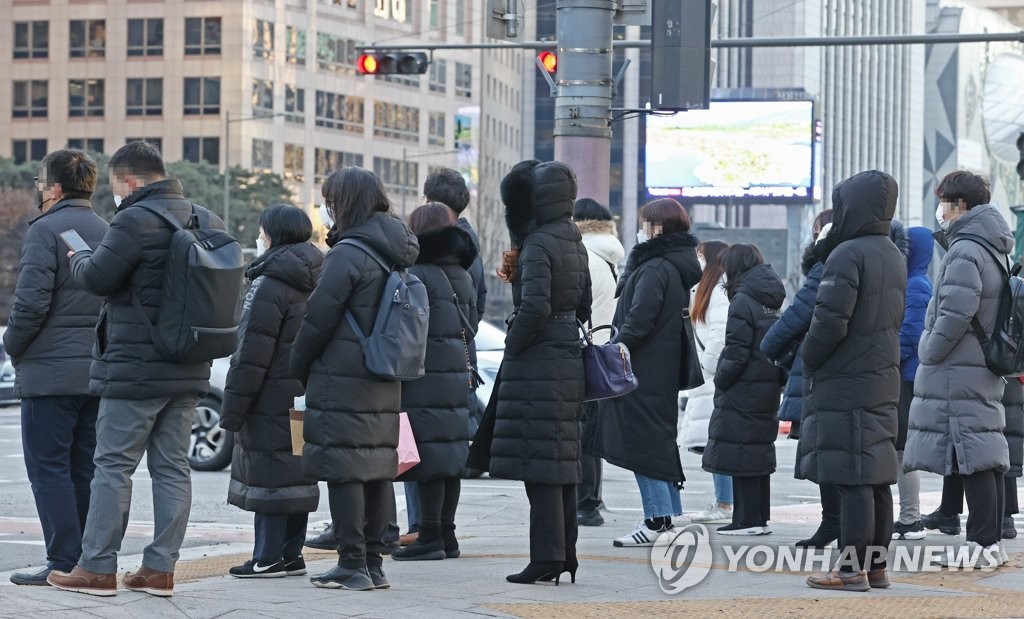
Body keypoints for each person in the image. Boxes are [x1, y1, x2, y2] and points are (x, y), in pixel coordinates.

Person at [48, 141, 226, 597]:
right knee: (172, 469)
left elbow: (97, 279)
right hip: (189, 364)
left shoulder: (133, 219)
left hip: (135, 369)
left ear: (128, 180)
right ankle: (159, 569)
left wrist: (78, 258)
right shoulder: (207, 218)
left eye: (115, 185)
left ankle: (97, 567)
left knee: (112, 466)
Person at [290, 166, 419, 591]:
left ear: (341, 203)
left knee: (344, 469)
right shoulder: (394, 249)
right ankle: (373, 564)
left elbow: (317, 319)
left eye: (329, 201)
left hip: (342, 375)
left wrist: (298, 366)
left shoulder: (348, 254)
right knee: (377, 468)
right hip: (383, 372)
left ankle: (350, 563)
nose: (325, 209)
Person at [3, 150, 108, 586]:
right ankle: (84, 560)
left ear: (55, 188)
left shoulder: (46, 231)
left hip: (50, 374)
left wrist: (11, 346)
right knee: (84, 467)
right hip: (97, 371)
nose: (36, 187)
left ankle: (62, 560)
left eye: (40, 181)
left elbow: (30, 305)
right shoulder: (107, 230)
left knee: (48, 468)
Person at [485, 160, 591, 585]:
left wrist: (513, 344)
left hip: (539, 363)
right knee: (562, 464)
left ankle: (546, 557)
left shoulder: (538, 244)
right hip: (567, 358)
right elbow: (581, 304)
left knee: (540, 467)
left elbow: (533, 307)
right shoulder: (572, 239)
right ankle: (565, 554)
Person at [801, 170, 906, 592]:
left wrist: (808, 357)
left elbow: (829, 321)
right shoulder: (892, 253)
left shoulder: (847, 254)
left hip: (847, 377)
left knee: (851, 476)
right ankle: (875, 566)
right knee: (876, 475)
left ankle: (848, 569)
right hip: (881, 375)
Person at [905, 170, 1014, 568]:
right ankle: (990, 544)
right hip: (978, 363)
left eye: (944, 201)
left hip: (959, 365)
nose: (940, 210)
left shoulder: (966, 247)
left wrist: (929, 349)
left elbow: (955, 309)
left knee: (974, 455)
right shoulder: (992, 244)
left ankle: (982, 544)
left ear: (959, 204)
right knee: (982, 450)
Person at [584, 198, 702, 548]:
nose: (641, 229)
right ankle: (671, 515)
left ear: (657, 228)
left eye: (645, 223)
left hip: (642, 369)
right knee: (659, 442)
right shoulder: (674, 266)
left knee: (643, 446)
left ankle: (657, 519)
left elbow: (640, 319)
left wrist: (616, 348)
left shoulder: (655, 268)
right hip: (661, 370)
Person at [217, 205, 323, 578]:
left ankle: (267, 556)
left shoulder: (270, 283)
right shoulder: (320, 275)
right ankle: (292, 554)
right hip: (307, 393)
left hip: (270, 395)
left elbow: (251, 353)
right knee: (297, 468)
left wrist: (233, 408)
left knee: (272, 472)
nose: (259, 238)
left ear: (273, 235)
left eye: (262, 232)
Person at [396, 168, 488, 547]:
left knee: (422, 456)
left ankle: (426, 533)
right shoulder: (462, 270)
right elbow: (475, 316)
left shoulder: (417, 275)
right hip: (459, 370)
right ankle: (445, 534)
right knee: (450, 455)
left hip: (424, 374)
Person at [702, 245, 785, 536]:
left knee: (740, 453)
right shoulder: (770, 298)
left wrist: (721, 380)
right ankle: (758, 518)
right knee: (757, 450)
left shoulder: (742, 300)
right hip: (766, 383)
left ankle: (745, 520)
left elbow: (736, 351)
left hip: (743, 386)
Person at [760, 213, 832, 547]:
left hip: (819, 376)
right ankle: (834, 523)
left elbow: (796, 316)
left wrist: (769, 347)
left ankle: (833, 523)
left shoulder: (825, 268)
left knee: (824, 455)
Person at [571, 198, 625, 528]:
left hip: (584, 350)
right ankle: (592, 499)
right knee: (590, 432)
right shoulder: (609, 255)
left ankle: (587, 504)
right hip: (602, 352)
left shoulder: (586, 256)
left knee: (583, 434)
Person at [680, 240, 733, 524]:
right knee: (714, 442)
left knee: (718, 442)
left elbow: (719, 335)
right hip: (707, 379)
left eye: (700, 255)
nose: (696, 260)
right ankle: (722, 501)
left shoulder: (718, 291)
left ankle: (724, 504)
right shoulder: (706, 289)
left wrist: (705, 368)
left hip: (711, 377)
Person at [891, 225, 933, 540]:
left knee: (903, 449)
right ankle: (908, 517)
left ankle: (910, 518)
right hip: (905, 374)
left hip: (906, 375)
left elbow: (910, 334)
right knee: (900, 448)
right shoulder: (913, 282)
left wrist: (887, 353)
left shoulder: (916, 285)